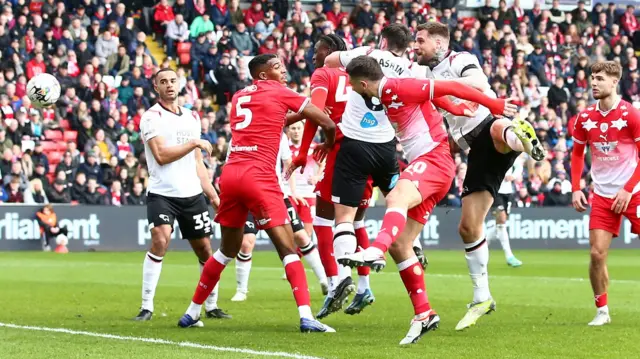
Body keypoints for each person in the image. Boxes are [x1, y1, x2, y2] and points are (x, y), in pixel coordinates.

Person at [337, 56, 516, 344]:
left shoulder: (398, 86)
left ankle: (375, 250)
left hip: (434, 159)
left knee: (395, 196)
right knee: (402, 244)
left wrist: (493, 106)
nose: (349, 86)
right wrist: (453, 108)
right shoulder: (385, 95)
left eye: (350, 82)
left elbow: (449, 85)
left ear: (363, 83)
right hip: (427, 163)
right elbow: (434, 96)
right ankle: (424, 314)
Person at [178, 54, 336, 333]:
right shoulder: (279, 90)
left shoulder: (239, 95)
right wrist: (329, 142)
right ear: (263, 75)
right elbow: (327, 122)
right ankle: (307, 316)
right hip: (259, 176)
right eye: (277, 67)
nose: (283, 70)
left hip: (231, 174)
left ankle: (191, 312)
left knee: (226, 250)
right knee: (288, 249)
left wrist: (300, 114)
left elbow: (276, 119)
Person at [413, 21, 546, 331]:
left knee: (497, 128)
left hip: (488, 126)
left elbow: (476, 84)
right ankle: (482, 297)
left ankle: (519, 137)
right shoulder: (424, 75)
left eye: (421, 41)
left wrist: (442, 91)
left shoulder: (459, 60)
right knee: (468, 227)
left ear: (440, 43)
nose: (416, 46)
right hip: (474, 150)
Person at [318, 24, 425, 318]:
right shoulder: (412, 70)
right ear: (406, 46)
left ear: (382, 40)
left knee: (345, 217)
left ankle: (342, 278)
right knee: (400, 200)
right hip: (386, 147)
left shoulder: (366, 54)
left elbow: (329, 62)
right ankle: (415, 242)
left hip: (353, 147)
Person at [286, 34, 376, 319]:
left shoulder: (324, 73)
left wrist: (302, 152)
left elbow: (315, 113)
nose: (314, 55)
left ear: (332, 51)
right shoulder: (366, 72)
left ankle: (337, 282)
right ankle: (364, 287)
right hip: (372, 151)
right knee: (356, 220)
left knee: (325, 220)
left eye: (318, 50)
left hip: (340, 152)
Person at [134, 68, 230, 322]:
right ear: (156, 87)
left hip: (191, 194)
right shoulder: (151, 117)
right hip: (162, 193)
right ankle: (146, 306)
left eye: (172, 81)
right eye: (163, 82)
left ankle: (211, 305)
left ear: (180, 84)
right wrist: (194, 143)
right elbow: (162, 157)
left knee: (205, 250)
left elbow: (198, 163)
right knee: (160, 240)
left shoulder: (191, 117)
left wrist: (213, 195)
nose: (168, 85)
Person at [571, 61, 640, 326]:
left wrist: (627, 188)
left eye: (600, 78)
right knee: (597, 254)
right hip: (602, 195)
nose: (594, 83)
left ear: (614, 82)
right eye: (592, 78)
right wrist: (576, 188)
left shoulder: (631, 114)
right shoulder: (584, 117)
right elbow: (577, 154)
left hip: (634, 192)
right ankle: (602, 311)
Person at [229, 132, 328, 302]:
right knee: (246, 244)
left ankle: (325, 281)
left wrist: (292, 191)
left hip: (275, 195)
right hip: (246, 195)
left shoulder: (278, 134)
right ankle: (241, 290)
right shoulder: (239, 133)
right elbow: (229, 164)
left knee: (302, 236)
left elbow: (288, 163)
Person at [488, 157, 524, 267]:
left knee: (500, 224)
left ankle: (482, 243)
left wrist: (513, 176)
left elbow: (518, 166)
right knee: (502, 220)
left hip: (507, 192)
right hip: (494, 191)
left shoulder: (510, 152)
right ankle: (509, 256)